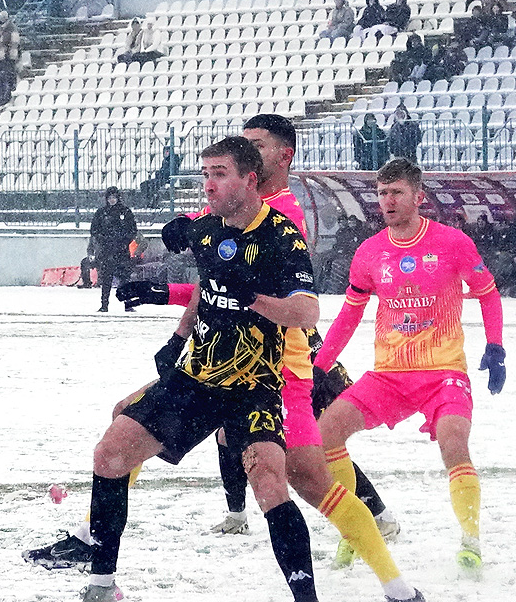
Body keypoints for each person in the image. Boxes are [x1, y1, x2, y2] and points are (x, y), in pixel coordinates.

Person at [74, 136, 332, 602]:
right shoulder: (209, 228)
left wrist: (253, 297)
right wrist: (165, 308)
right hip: (195, 379)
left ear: (249, 180)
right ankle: (103, 584)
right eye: (205, 174)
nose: (208, 185)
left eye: (219, 174)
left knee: (270, 485)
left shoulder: (281, 235)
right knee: (110, 453)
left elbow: (307, 312)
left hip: (253, 385)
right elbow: (205, 283)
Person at [109, 116, 401, 558]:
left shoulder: (279, 216)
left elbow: (251, 293)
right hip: (238, 351)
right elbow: (217, 280)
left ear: (283, 156)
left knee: (307, 461)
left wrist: (179, 324)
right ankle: (239, 514)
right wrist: (168, 293)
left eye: (257, 145)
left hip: (279, 358)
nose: (245, 151)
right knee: (283, 451)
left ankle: (374, 531)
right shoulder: (237, 206)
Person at [315, 157, 506, 579]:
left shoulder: (452, 243)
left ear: (418, 197)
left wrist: (495, 346)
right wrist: (320, 366)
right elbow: (349, 314)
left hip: (443, 371)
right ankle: (354, 529)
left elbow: (488, 293)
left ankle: (471, 542)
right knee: (326, 433)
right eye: (382, 193)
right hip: (390, 374)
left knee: (454, 442)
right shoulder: (369, 252)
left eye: (396, 192)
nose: (388, 200)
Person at [84, 187, 136, 312]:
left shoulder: (125, 212)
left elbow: (132, 230)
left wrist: (124, 241)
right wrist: (104, 241)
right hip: (106, 251)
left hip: (122, 251)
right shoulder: (101, 213)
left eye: (114, 197)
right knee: (106, 279)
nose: (112, 200)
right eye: (110, 198)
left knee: (124, 278)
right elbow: (94, 230)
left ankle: (128, 304)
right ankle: (104, 305)